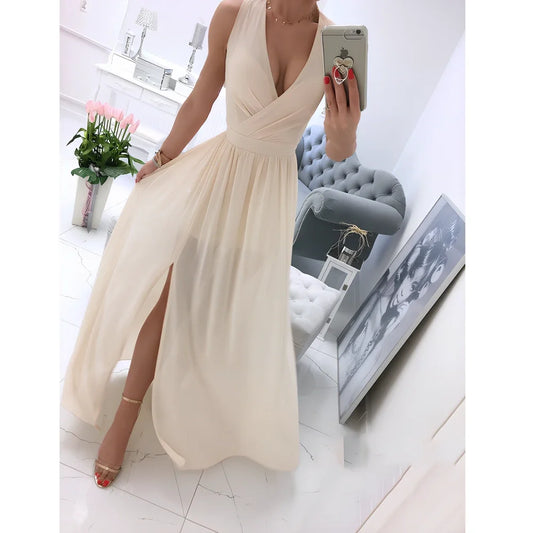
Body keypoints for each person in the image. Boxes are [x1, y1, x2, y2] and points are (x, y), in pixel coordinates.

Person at [61, 0, 361, 488]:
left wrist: (345, 131)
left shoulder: (336, 43)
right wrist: (163, 157)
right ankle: (124, 419)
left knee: (221, 304)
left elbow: (339, 149)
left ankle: (191, 394)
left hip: (267, 197)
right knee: (169, 293)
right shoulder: (235, 13)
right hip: (220, 172)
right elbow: (202, 96)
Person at [338, 218, 460, 395]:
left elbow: (372, 356)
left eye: (414, 286)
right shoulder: (380, 299)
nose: (404, 292)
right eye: (409, 275)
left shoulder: (397, 315)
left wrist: (388, 327)